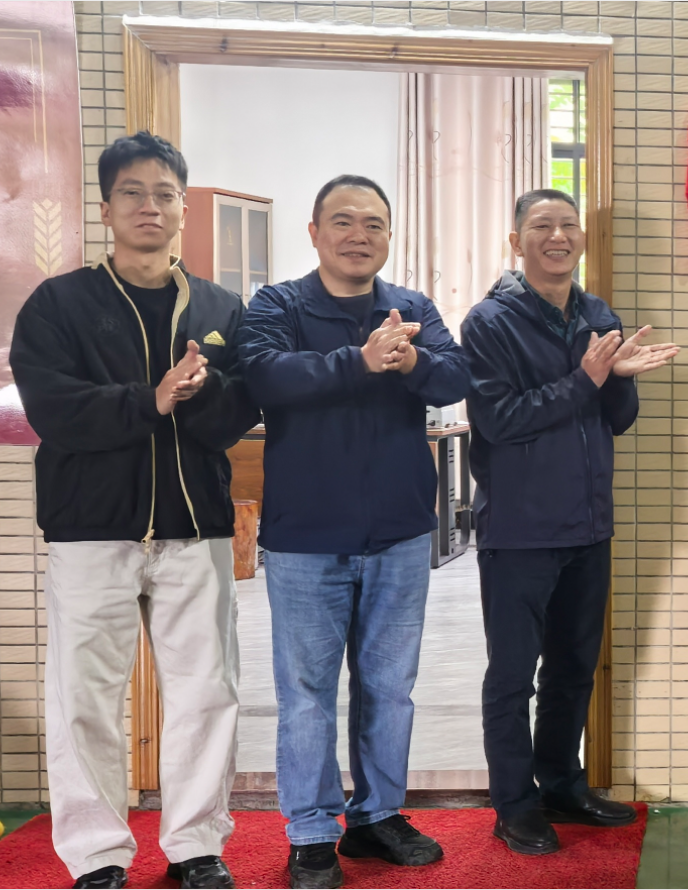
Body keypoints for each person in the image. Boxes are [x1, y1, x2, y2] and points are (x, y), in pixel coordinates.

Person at [9, 132, 258, 889]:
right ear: (106, 207)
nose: (150, 206)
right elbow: (53, 409)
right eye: (132, 193)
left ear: (182, 207)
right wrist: (150, 399)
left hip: (196, 529)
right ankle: (96, 855)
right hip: (91, 530)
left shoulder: (220, 307)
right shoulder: (58, 303)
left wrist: (203, 393)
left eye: (164, 193)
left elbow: (237, 415)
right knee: (83, 698)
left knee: (208, 691)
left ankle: (196, 847)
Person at [241, 175, 469, 889]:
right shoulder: (278, 304)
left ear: (389, 236)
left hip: (400, 533)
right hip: (306, 539)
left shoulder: (411, 308)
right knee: (307, 691)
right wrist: (359, 361)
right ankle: (311, 831)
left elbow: (456, 377)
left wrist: (413, 361)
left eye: (374, 223)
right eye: (342, 221)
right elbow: (266, 377)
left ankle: (377, 817)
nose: (358, 235)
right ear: (314, 232)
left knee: (389, 687)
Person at [462, 189, 678, 855]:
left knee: (574, 668)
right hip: (520, 530)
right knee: (512, 676)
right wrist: (586, 379)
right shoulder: (489, 322)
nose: (558, 236)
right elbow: (499, 420)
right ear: (516, 241)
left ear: (581, 237)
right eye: (542, 226)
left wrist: (619, 379)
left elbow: (618, 420)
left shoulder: (596, 314)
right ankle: (514, 804)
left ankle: (561, 784)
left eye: (568, 225)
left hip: (588, 526)